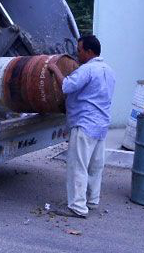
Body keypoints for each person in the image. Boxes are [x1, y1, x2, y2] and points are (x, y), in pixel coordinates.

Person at [47, 35, 116, 219]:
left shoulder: (87, 70)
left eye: (79, 50)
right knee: (95, 166)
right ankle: (92, 200)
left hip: (84, 124)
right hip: (100, 125)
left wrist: (55, 69)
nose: (77, 54)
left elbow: (67, 86)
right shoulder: (108, 70)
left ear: (89, 52)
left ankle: (77, 207)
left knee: (78, 166)